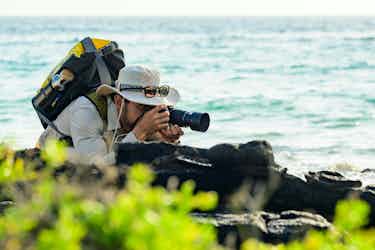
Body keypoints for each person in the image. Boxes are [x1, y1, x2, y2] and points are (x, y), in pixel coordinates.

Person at [37, 65, 184, 164]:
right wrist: (140, 132)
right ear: (119, 100)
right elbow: (98, 167)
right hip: (51, 154)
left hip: (102, 150)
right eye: (142, 106)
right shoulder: (86, 111)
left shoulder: (134, 117)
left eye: (151, 107)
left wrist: (167, 140)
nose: (148, 114)